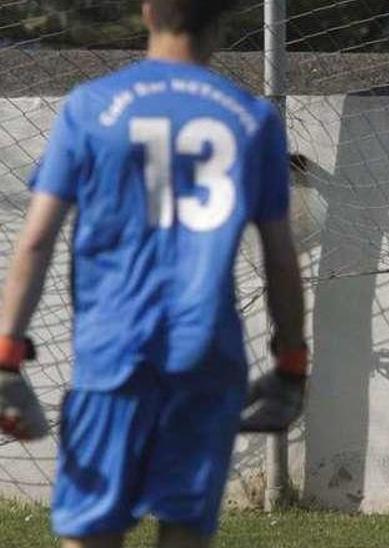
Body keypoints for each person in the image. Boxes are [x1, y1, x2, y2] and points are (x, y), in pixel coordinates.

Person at [0, 1, 308, 546]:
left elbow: (36, 242)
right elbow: (280, 259)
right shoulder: (251, 119)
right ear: (221, 20)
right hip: (205, 360)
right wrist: (290, 365)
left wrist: (6, 359)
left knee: (91, 532)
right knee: (184, 533)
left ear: (146, 13)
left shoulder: (90, 108)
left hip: (112, 356)